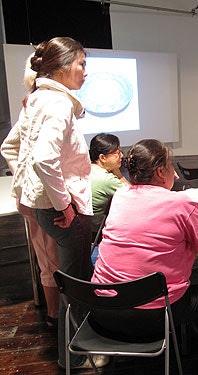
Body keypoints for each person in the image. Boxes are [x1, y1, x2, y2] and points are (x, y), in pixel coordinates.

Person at [91, 139, 198, 375]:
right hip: (152, 315)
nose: (176, 175)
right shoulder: (180, 203)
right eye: (171, 167)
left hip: (101, 308)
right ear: (161, 172)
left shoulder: (120, 197)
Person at [0, 37, 103, 370]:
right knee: (76, 285)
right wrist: (64, 204)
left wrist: (33, 190)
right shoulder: (58, 104)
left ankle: (73, 349)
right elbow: (45, 159)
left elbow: (13, 148)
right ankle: (75, 355)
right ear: (62, 67)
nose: (85, 71)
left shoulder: (36, 100)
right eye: (82, 64)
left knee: (66, 278)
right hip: (62, 210)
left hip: (42, 206)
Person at [1, 53, 60, 331]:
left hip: (41, 197)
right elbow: (11, 148)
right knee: (50, 260)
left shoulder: (37, 104)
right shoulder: (37, 106)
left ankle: (56, 315)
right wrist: (27, 180)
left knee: (50, 258)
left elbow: (10, 148)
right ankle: (54, 317)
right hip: (42, 200)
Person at [89, 133, 130, 235]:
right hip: (99, 231)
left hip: (85, 227)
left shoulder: (88, 168)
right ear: (102, 157)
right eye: (118, 152)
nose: (122, 156)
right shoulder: (106, 179)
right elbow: (135, 196)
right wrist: (119, 175)